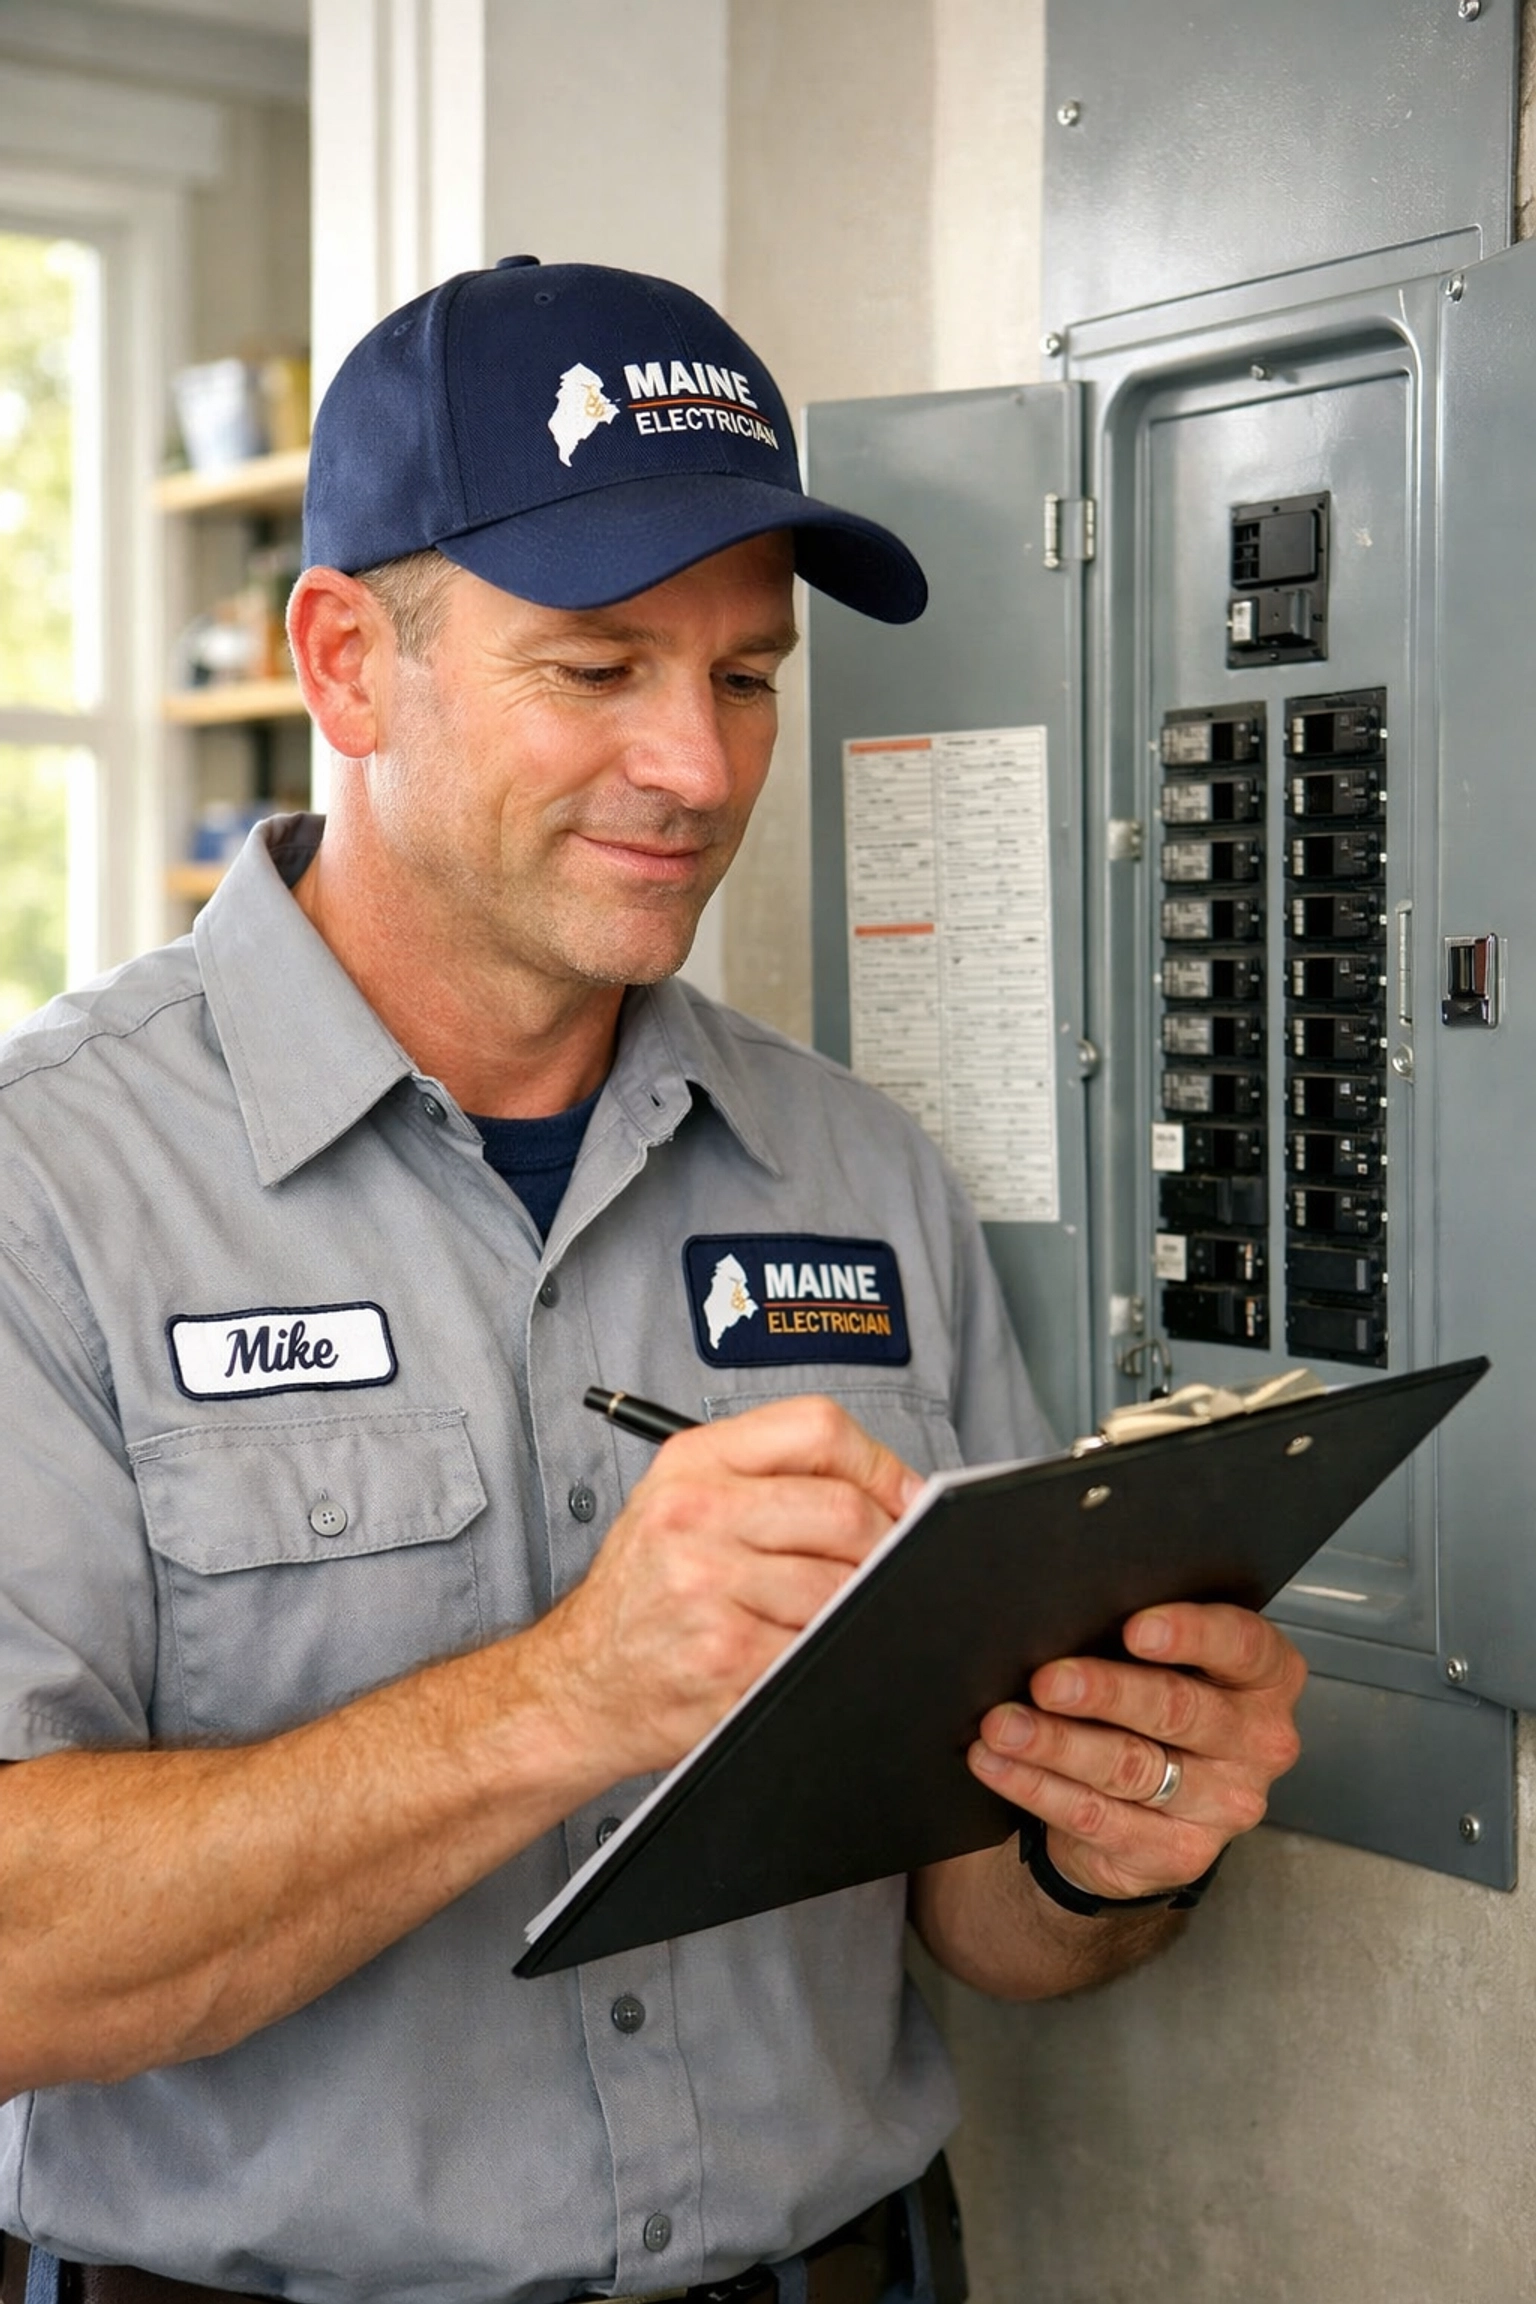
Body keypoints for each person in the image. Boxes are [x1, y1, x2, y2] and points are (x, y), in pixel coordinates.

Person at [0, 258, 1305, 2304]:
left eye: (747, 676)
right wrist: (564, 1699)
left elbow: (995, 1930)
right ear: (346, 661)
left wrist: (1112, 1830)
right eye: (597, 672)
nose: (698, 770)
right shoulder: (46, 1185)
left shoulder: (862, 1177)